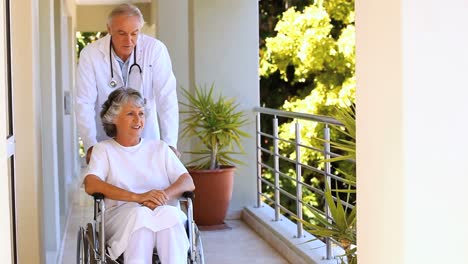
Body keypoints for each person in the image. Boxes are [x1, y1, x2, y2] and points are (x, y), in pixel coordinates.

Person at [83, 87, 195, 263]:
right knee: (140, 216)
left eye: (141, 114)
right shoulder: (103, 150)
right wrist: (138, 197)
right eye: (130, 114)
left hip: (162, 209)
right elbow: (91, 184)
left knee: (171, 215)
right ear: (113, 118)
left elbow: (187, 181)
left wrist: (161, 196)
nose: (138, 120)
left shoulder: (160, 148)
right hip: (121, 216)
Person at [75, 3, 180, 164]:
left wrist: (170, 143)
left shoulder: (155, 50)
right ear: (109, 29)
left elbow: (167, 98)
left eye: (134, 33)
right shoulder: (90, 54)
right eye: (122, 33)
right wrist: (90, 144)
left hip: (147, 138)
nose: (129, 40)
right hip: (107, 140)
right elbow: (84, 102)